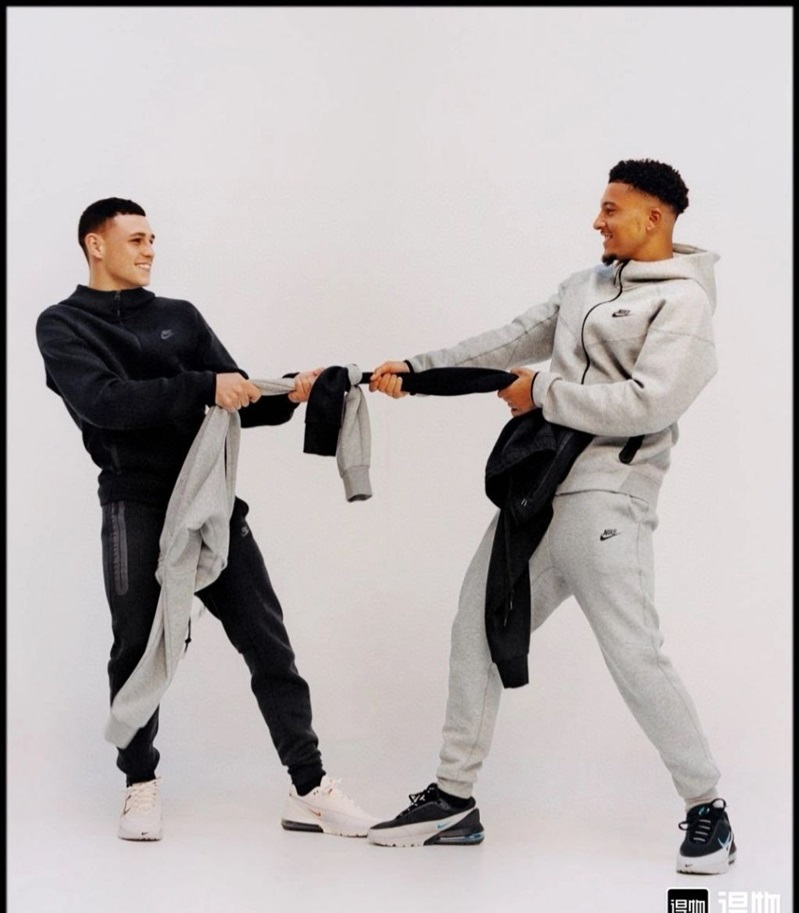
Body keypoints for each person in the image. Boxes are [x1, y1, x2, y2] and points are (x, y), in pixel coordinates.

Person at [367, 159, 736, 874]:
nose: (597, 221)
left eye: (611, 209)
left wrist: (542, 393)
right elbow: (507, 341)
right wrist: (416, 370)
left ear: (654, 216)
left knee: (634, 654)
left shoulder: (684, 303)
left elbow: (649, 402)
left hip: (607, 499)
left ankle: (707, 808)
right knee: (476, 628)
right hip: (534, 491)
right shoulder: (583, 285)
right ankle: (453, 799)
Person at [36, 198, 378, 841]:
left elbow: (236, 396)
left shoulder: (180, 317)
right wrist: (202, 387)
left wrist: (292, 390)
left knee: (268, 643)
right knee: (136, 647)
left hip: (210, 499)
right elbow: (105, 403)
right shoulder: (62, 325)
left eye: (153, 239)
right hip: (133, 503)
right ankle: (139, 783)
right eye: (136, 239)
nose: (150, 250)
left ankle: (308, 788)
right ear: (95, 245)